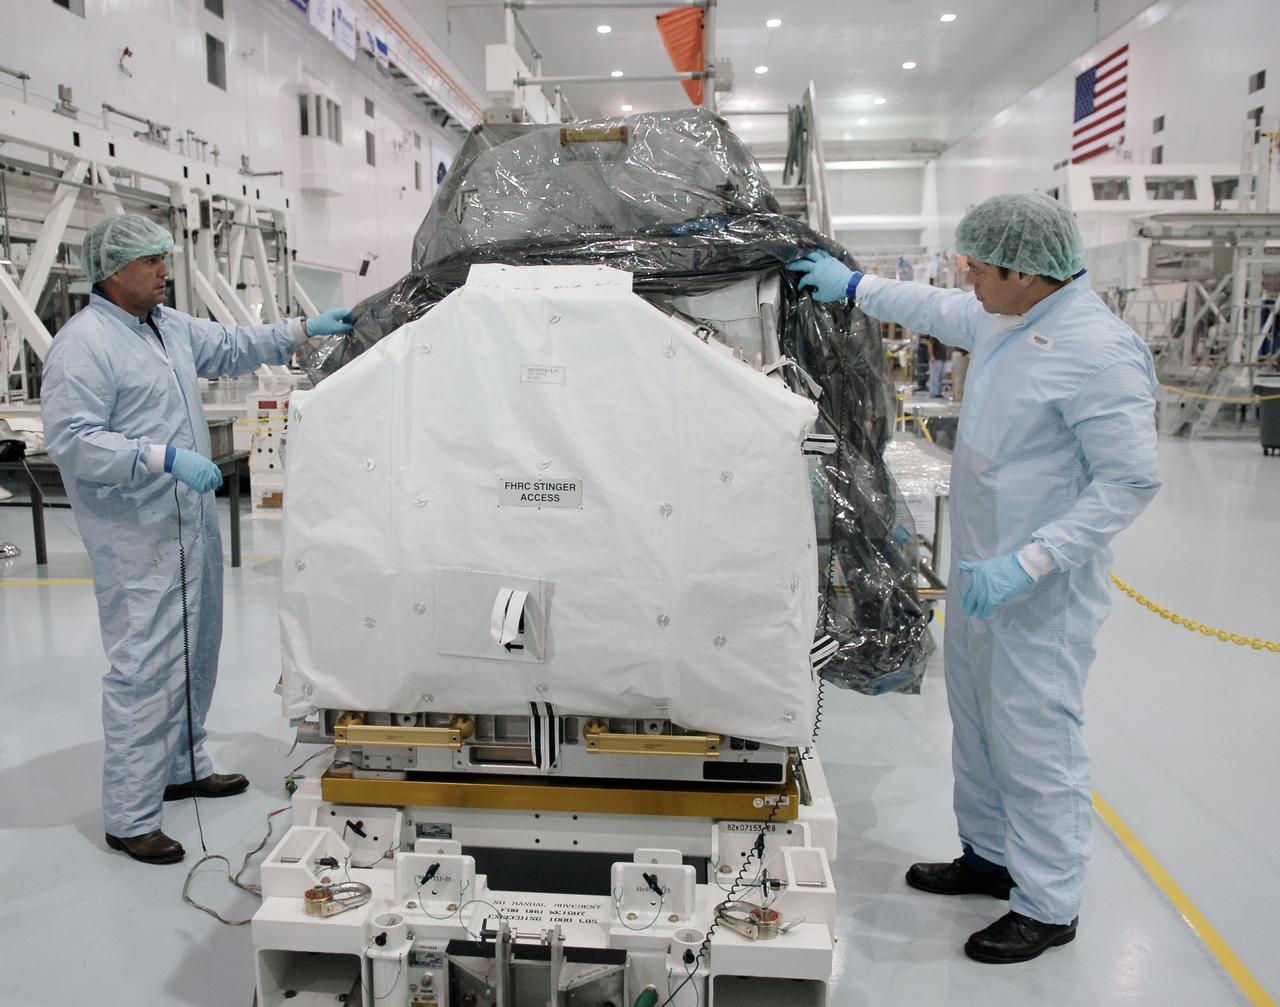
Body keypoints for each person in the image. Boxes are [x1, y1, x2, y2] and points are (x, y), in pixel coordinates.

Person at [788, 193, 1160, 964]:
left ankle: (1049, 903)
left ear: (1026, 272)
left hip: (1040, 591)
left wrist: (1030, 561)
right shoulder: (1006, 316)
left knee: (1035, 740)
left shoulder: (1099, 353)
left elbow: (1128, 482)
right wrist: (853, 286)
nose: (968, 278)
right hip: (980, 574)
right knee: (979, 724)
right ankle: (989, 857)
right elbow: (934, 307)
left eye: (979, 267)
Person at [41, 214, 354, 865]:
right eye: (151, 261)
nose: (165, 270)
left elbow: (233, 344)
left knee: (195, 649)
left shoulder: (166, 327)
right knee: (144, 667)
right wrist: (160, 457)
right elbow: (74, 441)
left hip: (187, 524)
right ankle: (130, 815)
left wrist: (302, 328)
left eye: (164, 257)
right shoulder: (85, 345)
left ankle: (182, 767)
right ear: (113, 271)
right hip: (136, 533)